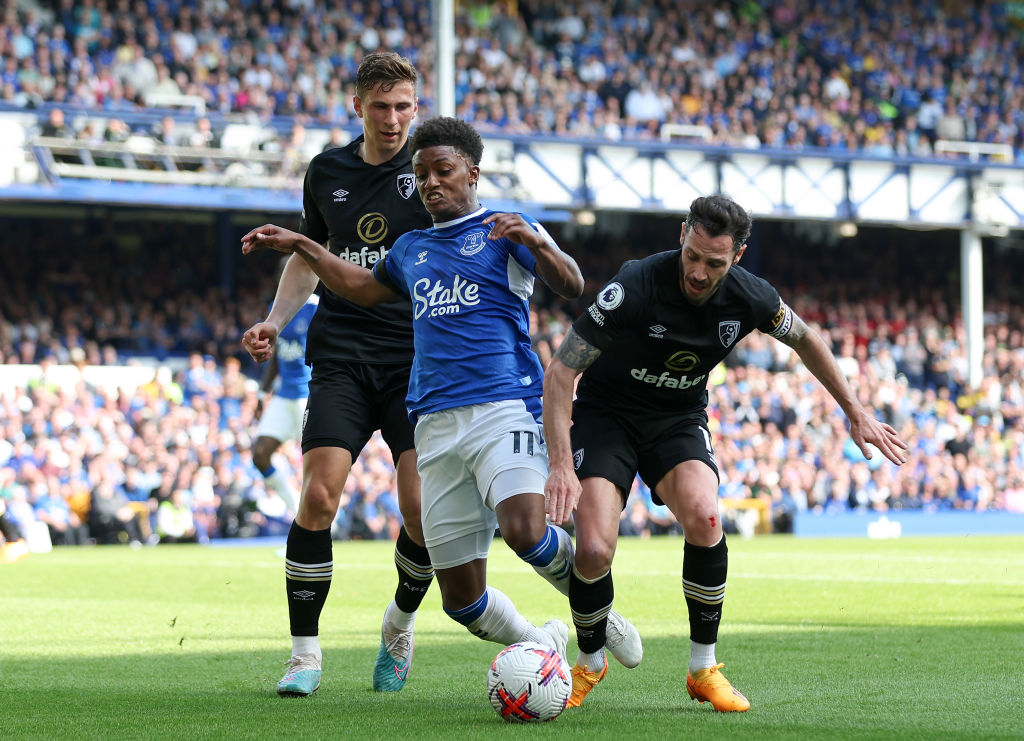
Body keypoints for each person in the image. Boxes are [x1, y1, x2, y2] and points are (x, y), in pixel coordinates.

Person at [242, 116, 642, 690]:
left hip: (504, 406)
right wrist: (305, 243)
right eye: (422, 173)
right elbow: (359, 288)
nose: (430, 182)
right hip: (433, 422)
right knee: (462, 601)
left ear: (472, 174)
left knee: (526, 529)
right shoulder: (411, 248)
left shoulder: (506, 229)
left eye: (443, 171)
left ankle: (597, 614)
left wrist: (537, 242)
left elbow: (573, 283)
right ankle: (541, 641)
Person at [542, 194, 909, 712]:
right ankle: (590, 661)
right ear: (682, 235)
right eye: (692, 255)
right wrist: (561, 464)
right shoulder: (636, 284)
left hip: (677, 418)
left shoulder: (751, 296)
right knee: (596, 550)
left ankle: (703, 669)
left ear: (737, 256)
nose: (698, 272)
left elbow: (806, 339)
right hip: (607, 417)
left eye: (714, 263)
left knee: (707, 516)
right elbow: (561, 371)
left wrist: (855, 410)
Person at [241, 51, 436, 698]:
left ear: (417, 107)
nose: (392, 119)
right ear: (358, 106)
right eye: (380, 106)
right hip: (343, 354)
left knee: (420, 512)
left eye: (403, 106)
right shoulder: (327, 170)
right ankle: (304, 654)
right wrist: (275, 321)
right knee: (319, 497)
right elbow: (309, 256)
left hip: (415, 361)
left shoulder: (430, 170)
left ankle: (399, 625)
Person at [251, 263, 317, 514]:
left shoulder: (316, 307)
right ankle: (297, 510)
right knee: (260, 455)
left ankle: (327, 520)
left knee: (316, 464)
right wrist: (262, 393)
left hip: (308, 396)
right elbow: (276, 355)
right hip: (283, 395)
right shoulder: (275, 309)